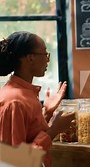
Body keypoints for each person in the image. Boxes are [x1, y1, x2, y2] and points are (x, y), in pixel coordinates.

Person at [0, 31, 75, 167]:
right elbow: (12, 160)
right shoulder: (14, 101)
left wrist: (47, 113)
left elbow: (28, 135)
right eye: (45, 54)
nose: (47, 59)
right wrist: (53, 130)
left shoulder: (26, 93)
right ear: (30, 58)